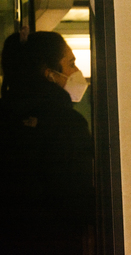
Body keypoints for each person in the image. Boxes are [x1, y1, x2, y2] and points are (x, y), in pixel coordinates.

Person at [0, 29, 95, 254]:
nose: (77, 71)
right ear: (48, 73)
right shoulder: (67, 124)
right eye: (70, 63)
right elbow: (76, 198)